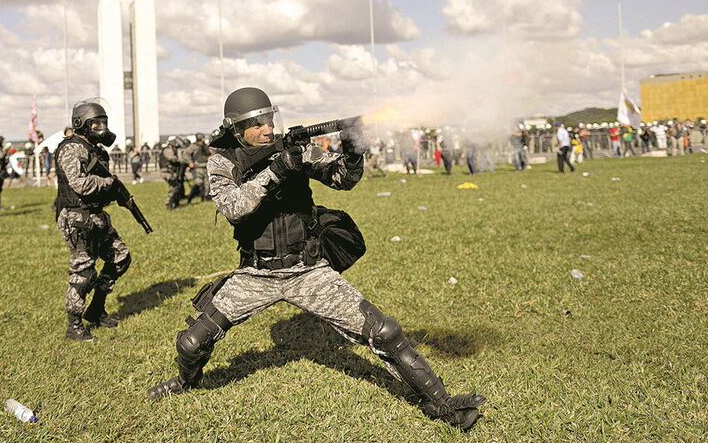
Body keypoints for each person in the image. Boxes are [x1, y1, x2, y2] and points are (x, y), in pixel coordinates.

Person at [146, 87, 485, 431]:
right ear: (236, 130)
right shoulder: (222, 162)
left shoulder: (296, 150)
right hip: (255, 274)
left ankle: (441, 405)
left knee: (385, 332)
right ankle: (186, 382)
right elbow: (234, 208)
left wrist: (352, 151)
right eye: (258, 123)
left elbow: (342, 179)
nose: (268, 128)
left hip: (308, 271)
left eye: (269, 119)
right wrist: (276, 171)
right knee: (191, 343)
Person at [54, 98, 131, 341]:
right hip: (76, 217)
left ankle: (96, 309)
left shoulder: (94, 149)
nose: (102, 128)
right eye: (96, 124)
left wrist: (120, 195)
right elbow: (80, 184)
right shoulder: (71, 148)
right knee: (84, 269)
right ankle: (74, 325)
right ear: (81, 124)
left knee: (120, 257)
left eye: (104, 123)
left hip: (96, 215)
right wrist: (110, 184)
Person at [186, 132, 211, 203]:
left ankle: (205, 198)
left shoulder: (205, 146)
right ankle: (190, 197)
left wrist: (209, 157)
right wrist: (190, 162)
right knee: (198, 183)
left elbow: (208, 154)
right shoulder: (193, 146)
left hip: (205, 166)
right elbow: (186, 154)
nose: (203, 140)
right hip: (196, 167)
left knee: (207, 184)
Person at [160, 137, 182, 209]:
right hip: (167, 172)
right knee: (174, 187)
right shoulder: (167, 150)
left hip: (170, 172)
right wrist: (179, 159)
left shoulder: (169, 149)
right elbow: (172, 158)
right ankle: (169, 202)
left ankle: (175, 202)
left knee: (176, 186)